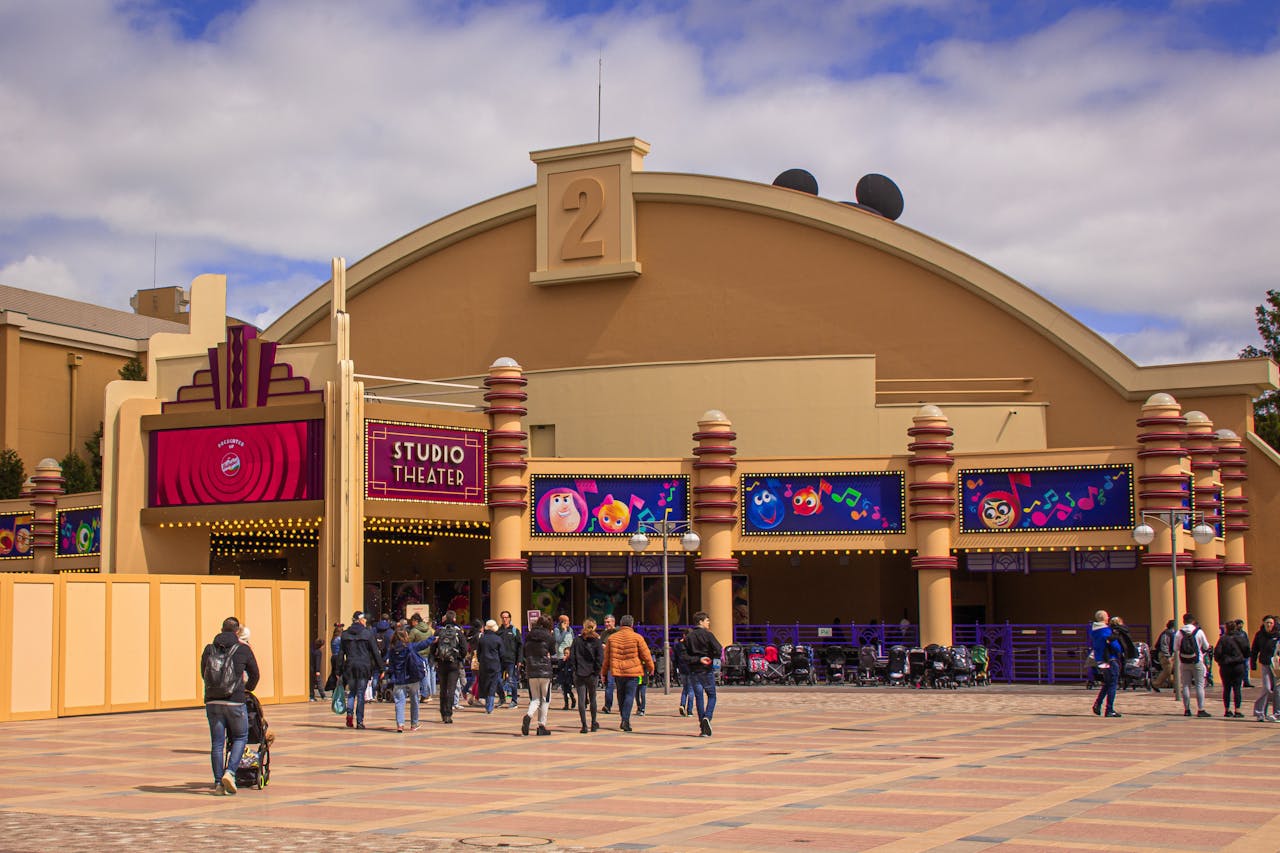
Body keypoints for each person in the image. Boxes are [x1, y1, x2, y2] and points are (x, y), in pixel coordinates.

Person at [201, 616, 260, 796]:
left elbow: (204, 673)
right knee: (241, 737)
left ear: (221, 629)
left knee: (217, 743)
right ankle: (231, 772)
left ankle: (219, 783)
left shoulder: (209, 649)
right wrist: (246, 690)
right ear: (237, 632)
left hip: (213, 701)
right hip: (235, 700)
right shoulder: (243, 649)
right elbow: (255, 674)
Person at [601, 614, 654, 732]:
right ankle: (625, 720)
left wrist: (604, 672)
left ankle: (623, 717)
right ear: (632, 624)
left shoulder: (612, 638)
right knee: (630, 695)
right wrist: (651, 668)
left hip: (618, 671)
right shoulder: (637, 637)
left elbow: (606, 658)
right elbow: (646, 654)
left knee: (621, 694)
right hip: (633, 671)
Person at [340, 612, 384, 729]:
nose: (365, 621)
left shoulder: (345, 635)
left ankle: (349, 716)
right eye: (364, 619)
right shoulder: (367, 633)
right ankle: (359, 721)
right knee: (360, 694)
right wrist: (381, 668)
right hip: (364, 667)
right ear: (360, 620)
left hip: (350, 666)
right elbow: (375, 652)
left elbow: (341, 654)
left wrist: (338, 671)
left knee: (352, 692)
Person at [683, 611, 723, 736]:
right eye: (707, 620)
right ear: (700, 622)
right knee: (712, 695)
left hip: (694, 671)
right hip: (706, 670)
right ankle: (708, 717)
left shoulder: (689, 637)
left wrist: (697, 659)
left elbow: (684, 656)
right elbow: (718, 648)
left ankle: (703, 726)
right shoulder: (708, 635)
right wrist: (711, 658)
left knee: (699, 697)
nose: (708, 623)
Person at [386, 628, 431, 732]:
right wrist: (433, 638)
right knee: (414, 700)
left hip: (398, 679)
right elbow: (423, 644)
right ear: (405, 636)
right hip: (412, 678)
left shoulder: (392, 649)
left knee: (399, 702)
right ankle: (414, 724)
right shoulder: (410, 647)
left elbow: (391, 665)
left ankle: (400, 725)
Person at [521, 614, 556, 736]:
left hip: (531, 669)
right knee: (545, 699)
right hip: (545, 670)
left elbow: (525, 652)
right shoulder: (549, 636)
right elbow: (553, 652)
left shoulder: (529, 635)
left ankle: (529, 715)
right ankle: (541, 725)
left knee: (535, 698)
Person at [569, 618, 604, 733]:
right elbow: (600, 658)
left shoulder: (577, 640)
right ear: (594, 627)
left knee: (581, 699)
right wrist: (596, 671)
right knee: (593, 698)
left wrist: (575, 669)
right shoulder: (597, 641)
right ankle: (594, 723)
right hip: (592, 674)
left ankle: (584, 725)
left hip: (579, 673)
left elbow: (572, 657)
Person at [432, 610, 466, 724]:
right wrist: (460, 657)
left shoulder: (439, 631)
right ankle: (448, 714)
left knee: (443, 689)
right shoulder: (458, 632)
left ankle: (442, 712)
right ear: (454, 619)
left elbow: (433, 647)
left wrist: (435, 658)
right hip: (454, 663)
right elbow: (464, 648)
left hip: (442, 663)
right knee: (451, 689)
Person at [1175, 613, 1212, 718]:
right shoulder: (1199, 632)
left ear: (1183, 621)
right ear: (1193, 621)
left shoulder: (1179, 633)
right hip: (1197, 660)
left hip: (1184, 662)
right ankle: (1201, 709)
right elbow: (1206, 646)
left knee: (1186, 685)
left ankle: (1187, 709)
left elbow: (1175, 648)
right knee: (1199, 685)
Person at [1088, 609, 1122, 718]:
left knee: (1107, 682)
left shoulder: (1094, 631)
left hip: (1100, 659)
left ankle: (1098, 704)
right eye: (1107, 617)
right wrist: (1120, 650)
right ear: (1104, 618)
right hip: (1110, 659)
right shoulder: (1106, 631)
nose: (1108, 618)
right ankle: (1109, 709)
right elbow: (1115, 645)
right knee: (1112, 683)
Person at [1214, 620, 1249, 718]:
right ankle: (1237, 710)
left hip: (1226, 666)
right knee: (1237, 688)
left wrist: (1220, 661)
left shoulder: (1223, 639)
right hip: (1238, 665)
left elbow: (1217, 653)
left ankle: (1227, 710)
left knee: (1226, 688)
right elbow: (1247, 651)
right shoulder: (1241, 638)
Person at [1250, 614, 1280, 722]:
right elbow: (1254, 650)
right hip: (1265, 663)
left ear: (1274, 624)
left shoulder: (1278, 634)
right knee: (1266, 688)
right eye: (1267, 622)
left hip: (1277, 665)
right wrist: (1252, 663)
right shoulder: (1260, 635)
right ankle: (1260, 712)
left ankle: (1277, 713)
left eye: (1271, 623)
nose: (1269, 625)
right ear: (1263, 623)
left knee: (1277, 689)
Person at [496, 610, 523, 709]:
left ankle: (514, 701)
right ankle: (502, 698)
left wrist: (519, 660)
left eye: (506, 617)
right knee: (497, 680)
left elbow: (520, 646)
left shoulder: (515, 630)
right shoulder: (498, 631)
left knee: (512, 680)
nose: (504, 619)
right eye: (503, 617)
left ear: (510, 618)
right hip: (499, 660)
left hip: (511, 660)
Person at [407, 612, 436, 703]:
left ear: (415, 621)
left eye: (412, 621)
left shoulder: (414, 631)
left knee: (418, 675)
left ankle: (423, 694)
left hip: (416, 655)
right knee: (425, 674)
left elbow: (409, 643)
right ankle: (427, 693)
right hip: (426, 654)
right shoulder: (429, 630)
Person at [477, 619, 504, 713]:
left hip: (484, 664)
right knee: (493, 685)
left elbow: (478, 653)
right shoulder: (498, 639)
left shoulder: (482, 638)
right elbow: (502, 653)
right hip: (495, 664)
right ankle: (489, 707)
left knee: (485, 683)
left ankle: (487, 704)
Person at [554, 614, 576, 710]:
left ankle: (571, 696)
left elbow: (572, 641)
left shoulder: (570, 629)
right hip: (561, 657)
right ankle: (566, 702)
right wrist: (564, 630)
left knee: (569, 680)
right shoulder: (557, 630)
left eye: (568, 621)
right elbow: (558, 640)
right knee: (563, 681)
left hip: (569, 657)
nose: (568, 623)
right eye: (566, 622)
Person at [600, 613, 619, 713]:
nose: (606, 624)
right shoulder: (604, 633)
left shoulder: (618, 632)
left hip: (617, 661)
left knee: (620, 686)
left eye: (608, 622)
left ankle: (622, 705)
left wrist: (606, 647)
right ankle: (607, 706)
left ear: (613, 622)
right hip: (608, 662)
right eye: (605, 622)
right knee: (609, 684)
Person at [674, 629, 695, 718]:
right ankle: (689, 710)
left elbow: (675, 658)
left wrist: (676, 668)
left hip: (682, 669)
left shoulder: (678, 645)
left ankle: (682, 704)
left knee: (685, 689)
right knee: (691, 690)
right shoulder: (692, 646)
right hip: (690, 669)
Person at [1152, 619, 1176, 692]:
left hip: (1172, 654)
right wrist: (1168, 656)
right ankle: (1156, 684)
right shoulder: (1166, 634)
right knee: (1167, 670)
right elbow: (1164, 645)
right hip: (1165, 655)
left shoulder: (1173, 633)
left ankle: (1177, 687)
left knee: (1177, 670)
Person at [324, 623, 345, 695]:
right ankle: (338, 689)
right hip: (338, 657)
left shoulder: (333, 639)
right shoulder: (339, 639)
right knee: (340, 673)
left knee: (334, 672)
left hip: (333, 657)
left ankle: (333, 688)